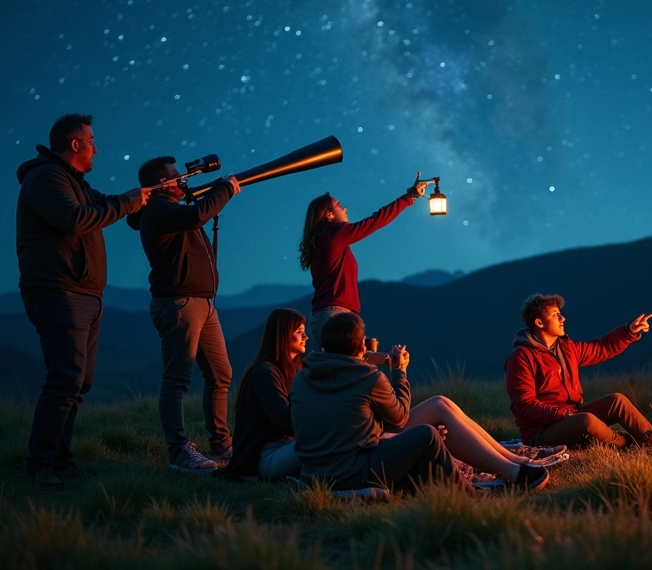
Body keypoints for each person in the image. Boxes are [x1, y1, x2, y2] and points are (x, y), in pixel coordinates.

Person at [16, 113, 150, 487]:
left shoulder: (75, 182)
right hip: (60, 292)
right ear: (75, 144)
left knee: (79, 383)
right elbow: (75, 219)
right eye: (91, 140)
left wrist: (148, 197)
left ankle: (60, 459)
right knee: (65, 380)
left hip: (85, 294)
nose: (96, 147)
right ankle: (40, 465)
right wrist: (127, 201)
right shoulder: (45, 178)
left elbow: (105, 203)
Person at [291, 312, 550, 493]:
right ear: (361, 346)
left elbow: (345, 422)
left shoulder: (303, 378)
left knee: (439, 403)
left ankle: (510, 463)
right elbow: (400, 418)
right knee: (427, 431)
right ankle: (511, 475)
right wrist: (399, 371)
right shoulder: (366, 377)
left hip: (316, 472)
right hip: (353, 472)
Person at [127, 156, 241, 472]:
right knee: (177, 379)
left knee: (221, 374)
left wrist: (215, 194)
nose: (182, 179)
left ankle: (222, 445)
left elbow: (194, 215)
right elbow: (197, 215)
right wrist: (225, 190)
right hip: (179, 304)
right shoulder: (158, 211)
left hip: (202, 303)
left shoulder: (173, 211)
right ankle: (178, 451)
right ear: (158, 184)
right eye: (175, 176)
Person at [504, 293, 652, 449]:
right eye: (556, 315)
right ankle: (625, 445)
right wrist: (561, 414)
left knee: (617, 400)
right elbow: (525, 404)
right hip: (540, 432)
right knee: (587, 420)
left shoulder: (566, 348)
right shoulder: (521, 357)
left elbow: (600, 348)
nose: (563, 319)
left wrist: (629, 331)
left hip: (571, 416)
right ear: (540, 322)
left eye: (561, 314)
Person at [297, 174, 428, 350]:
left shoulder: (323, 240)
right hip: (335, 317)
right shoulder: (332, 235)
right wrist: (409, 197)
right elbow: (374, 221)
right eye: (339, 206)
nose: (345, 208)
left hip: (328, 316)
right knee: (352, 371)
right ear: (328, 215)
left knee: (348, 368)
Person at [221, 309, 307, 480]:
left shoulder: (294, 370)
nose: (306, 337)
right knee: (324, 440)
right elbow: (285, 421)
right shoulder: (265, 373)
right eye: (299, 332)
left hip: (286, 447)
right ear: (282, 335)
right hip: (265, 457)